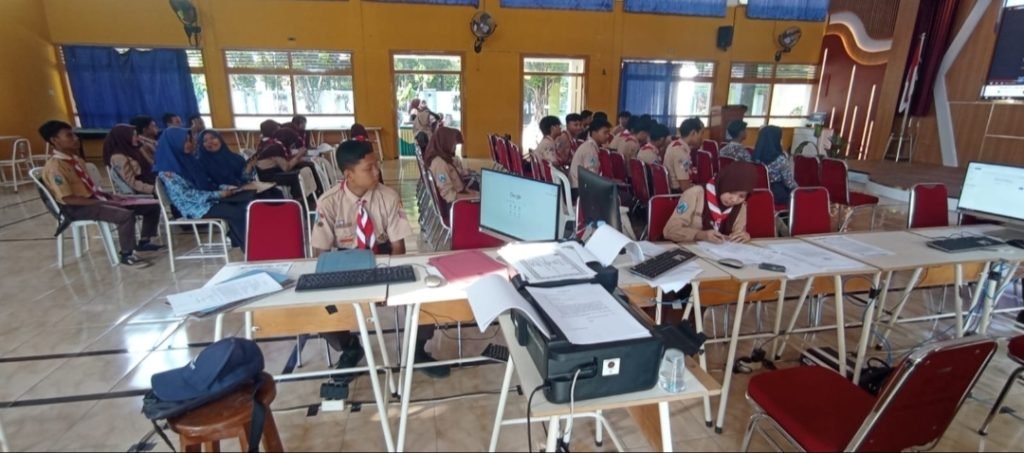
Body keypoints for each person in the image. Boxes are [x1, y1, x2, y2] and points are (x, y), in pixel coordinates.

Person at [312, 139, 448, 377]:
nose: (377, 172)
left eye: (377, 165)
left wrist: (389, 279)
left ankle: (417, 350)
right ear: (349, 174)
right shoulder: (329, 202)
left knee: (424, 294)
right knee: (319, 307)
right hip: (345, 262)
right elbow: (321, 253)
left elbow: (398, 247)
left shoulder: (388, 197)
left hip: (384, 257)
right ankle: (350, 347)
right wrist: (329, 285)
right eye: (369, 168)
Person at [38, 120, 161, 266]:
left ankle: (144, 241)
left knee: (152, 205)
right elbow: (68, 199)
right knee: (124, 215)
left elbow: (89, 187)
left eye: (74, 135)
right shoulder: (55, 168)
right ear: (54, 140)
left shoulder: (76, 160)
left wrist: (107, 196)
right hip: (76, 207)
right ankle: (126, 254)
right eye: (69, 136)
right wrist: (101, 202)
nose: (76, 139)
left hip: (93, 199)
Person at [154, 128, 249, 249]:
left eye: (189, 140)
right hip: (193, 207)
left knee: (244, 205)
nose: (189, 144)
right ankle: (249, 248)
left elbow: (208, 183)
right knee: (237, 212)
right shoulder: (168, 172)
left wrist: (226, 188)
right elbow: (187, 195)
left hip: (207, 201)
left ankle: (241, 241)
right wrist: (218, 194)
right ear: (174, 144)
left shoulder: (189, 161)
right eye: (184, 141)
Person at [664, 161, 756, 244]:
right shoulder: (695, 194)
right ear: (723, 184)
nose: (734, 199)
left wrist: (743, 236)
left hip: (720, 254)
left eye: (741, 196)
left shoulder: (741, 205)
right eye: (731, 192)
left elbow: (739, 232)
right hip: (691, 251)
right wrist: (700, 235)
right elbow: (669, 231)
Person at [252, 120, 313, 201]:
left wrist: (296, 158)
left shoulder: (264, 143)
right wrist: (299, 155)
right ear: (274, 132)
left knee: (302, 169)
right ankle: (299, 201)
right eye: (279, 129)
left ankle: (307, 197)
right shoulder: (274, 146)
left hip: (267, 172)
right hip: (268, 175)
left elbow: (281, 161)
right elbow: (286, 168)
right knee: (299, 175)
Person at [426, 126, 477, 205]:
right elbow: (449, 196)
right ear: (445, 142)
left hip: (459, 196)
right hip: (456, 205)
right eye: (454, 145)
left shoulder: (443, 158)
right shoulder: (440, 164)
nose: (455, 148)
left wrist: (471, 193)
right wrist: (474, 196)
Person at [103, 124, 155, 195]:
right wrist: (153, 189)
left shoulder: (133, 150)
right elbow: (132, 183)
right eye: (134, 136)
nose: (137, 138)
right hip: (145, 189)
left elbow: (151, 164)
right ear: (124, 138)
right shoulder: (118, 157)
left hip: (151, 181)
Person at [753, 125, 798, 205]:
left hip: (756, 194)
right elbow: (789, 183)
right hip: (777, 195)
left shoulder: (754, 157)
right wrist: (800, 190)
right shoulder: (780, 160)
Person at [569, 118, 612, 191]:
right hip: (580, 190)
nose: (608, 136)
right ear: (594, 132)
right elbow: (592, 177)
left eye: (608, 133)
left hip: (578, 186)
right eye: (605, 133)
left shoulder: (589, 145)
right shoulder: (590, 149)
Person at [664, 118, 704, 193]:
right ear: (693, 133)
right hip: (678, 193)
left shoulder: (673, 144)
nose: (702, 137)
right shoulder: (681, 153)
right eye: (701, 133)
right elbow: (685, 187)